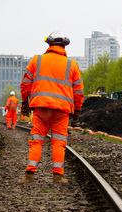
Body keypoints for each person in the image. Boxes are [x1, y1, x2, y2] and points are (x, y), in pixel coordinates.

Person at [19, 32, 84, 184]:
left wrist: (24, 102)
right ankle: (58, 176)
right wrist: (78, 110)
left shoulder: (37, 60)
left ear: (49, 44)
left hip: (41, 108)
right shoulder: (72, 65)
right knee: (59, 142)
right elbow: (79, 91)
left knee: (36, 140)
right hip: (62, 110)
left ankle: (29, 174)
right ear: (64, 45)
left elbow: (25, 83)